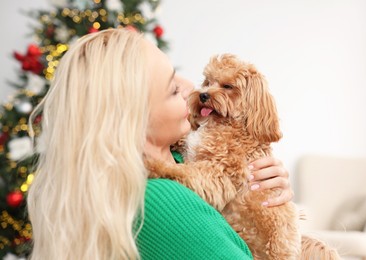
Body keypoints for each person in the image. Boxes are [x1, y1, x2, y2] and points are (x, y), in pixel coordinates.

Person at [27, 28, 294, 260]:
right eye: (173, 90)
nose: (193, 89)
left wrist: (265, 194)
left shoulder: (179, 161)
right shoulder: (163, 200)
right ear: (133, 120)